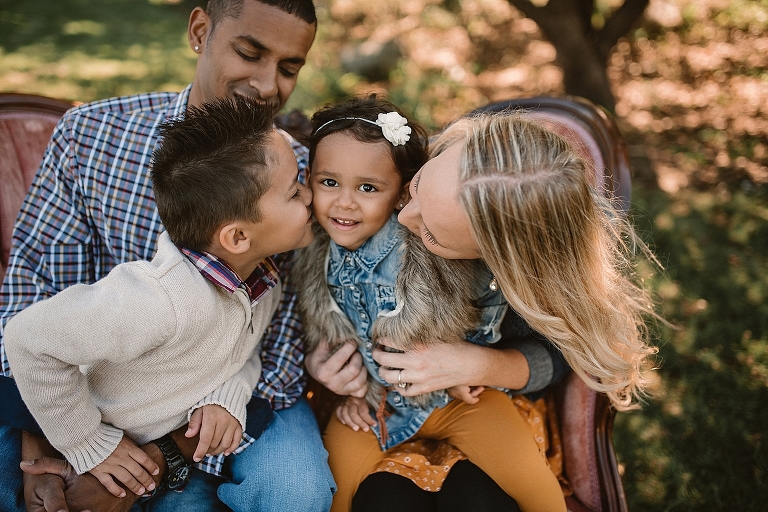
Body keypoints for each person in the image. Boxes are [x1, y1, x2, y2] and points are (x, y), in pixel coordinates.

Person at [0, 1, 335, 511]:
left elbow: (276, 342)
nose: (268, 86)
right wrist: (60, 440)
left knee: (296, 490)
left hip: (222, 402)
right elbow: (34, 294)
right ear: (200, 31)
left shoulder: (298, 176)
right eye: (249, 53)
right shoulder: (88, 136)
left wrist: (160, 460)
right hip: (77, 390)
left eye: (290, 68)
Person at [354, 112, 659, 508]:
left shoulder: (531, 278)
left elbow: (564, 354)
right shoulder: (394, 168)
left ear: (501, 261)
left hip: (485, 409)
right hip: (376, 408)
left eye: (431, 233)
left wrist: (478, 364)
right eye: (416, 187)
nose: (403, 216)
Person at [294, 97, 567, 512]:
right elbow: (305, 328)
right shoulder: (307, 248)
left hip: (460, 399)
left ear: (397, 192)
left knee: (533, 485)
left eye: (367, 188)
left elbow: (485, 306)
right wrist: (340, 380)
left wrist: (476, 362)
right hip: (372, 409)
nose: (344, 202)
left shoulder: (440, 247)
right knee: (330, 492)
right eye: (329, 183)